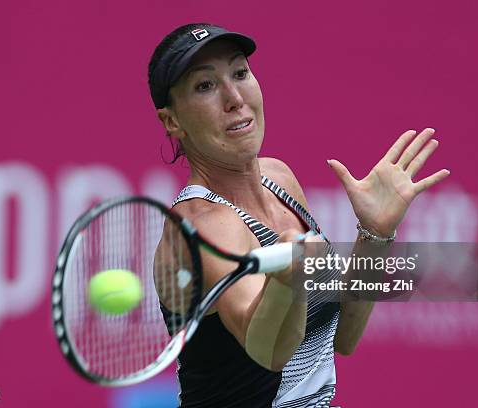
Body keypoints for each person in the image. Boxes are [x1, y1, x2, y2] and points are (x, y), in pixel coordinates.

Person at [148, 23, 449, 408]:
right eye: (205, 86)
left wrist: (375, 234)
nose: (235, 97)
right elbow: (267, 352)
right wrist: (286, 283)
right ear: (172, 121)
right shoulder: (203, 225)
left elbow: (344, 338)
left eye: (240, 73)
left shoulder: (279, 179)